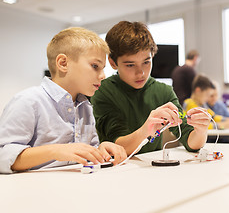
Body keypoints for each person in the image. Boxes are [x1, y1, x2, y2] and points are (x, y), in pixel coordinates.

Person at [0, 27, 127, 174]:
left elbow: (83, 152)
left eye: (103, 68)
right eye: (95, 66)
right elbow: (3, 156)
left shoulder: (85, 107)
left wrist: (100, 149)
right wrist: (56, 150)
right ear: (63, 63)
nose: (103, 75)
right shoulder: (28, 101)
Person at [91, 21, 210, 156]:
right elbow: (117, 147)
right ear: (112, 63)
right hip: (116, 171)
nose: (140, 72)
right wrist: (146, 130)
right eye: (130, 65)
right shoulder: (102, 91)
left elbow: (190, 141)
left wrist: (200, 130)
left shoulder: (164, 91)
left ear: (153, 56)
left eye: (146, 62)